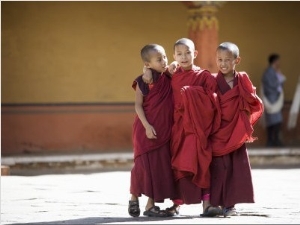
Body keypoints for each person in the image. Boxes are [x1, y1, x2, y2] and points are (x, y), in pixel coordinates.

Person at [143, 38, 221, 217]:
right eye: (179, 54)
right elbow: (154, 77)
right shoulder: (172, 74)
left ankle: (207, 204)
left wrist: (192, 93)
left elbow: (213, 99)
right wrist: (146, 69)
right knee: (178, 165)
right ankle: (176, 204)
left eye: (187, 53)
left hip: (197, 129)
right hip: (178, 128)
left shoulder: (204, 76)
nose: (184, 57)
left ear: (195, 54)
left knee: (202, 164)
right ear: (174, 56)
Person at [209, 42, 264, 217]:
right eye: (219, 59)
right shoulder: (211, 80)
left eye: (227, 59)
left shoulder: (242, 79)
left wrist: (243, 117)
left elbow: (252, 101)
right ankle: (215, 202)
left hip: (236, 130)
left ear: (237, 60)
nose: (223, 63)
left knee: (235, 167)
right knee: (218, 167)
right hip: (218, 130)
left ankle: (230, 205)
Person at [128, 44, 177, 218]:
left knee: (157, 168)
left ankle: (150, 205)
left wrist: (169, 66)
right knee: (142, 166)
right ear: (147, 64)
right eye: (159, 59)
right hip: (146, 129)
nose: (164, 61)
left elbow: (176, 64)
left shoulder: (169, 76)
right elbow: (138, 106)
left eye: (164, 57)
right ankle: (134, 197)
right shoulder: (143, 81)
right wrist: (147, 126)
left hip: (164, 131)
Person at [261, 53, 286, 147]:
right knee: (274, 121)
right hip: (271, 99)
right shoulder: (268, 72)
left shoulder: (274, 71)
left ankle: (274, 140)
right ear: (274, 61)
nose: (279, 62)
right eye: (278, 60)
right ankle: (272, 140)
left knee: (276, 121)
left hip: (275, 99)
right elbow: (272, 85)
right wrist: (280, 80)